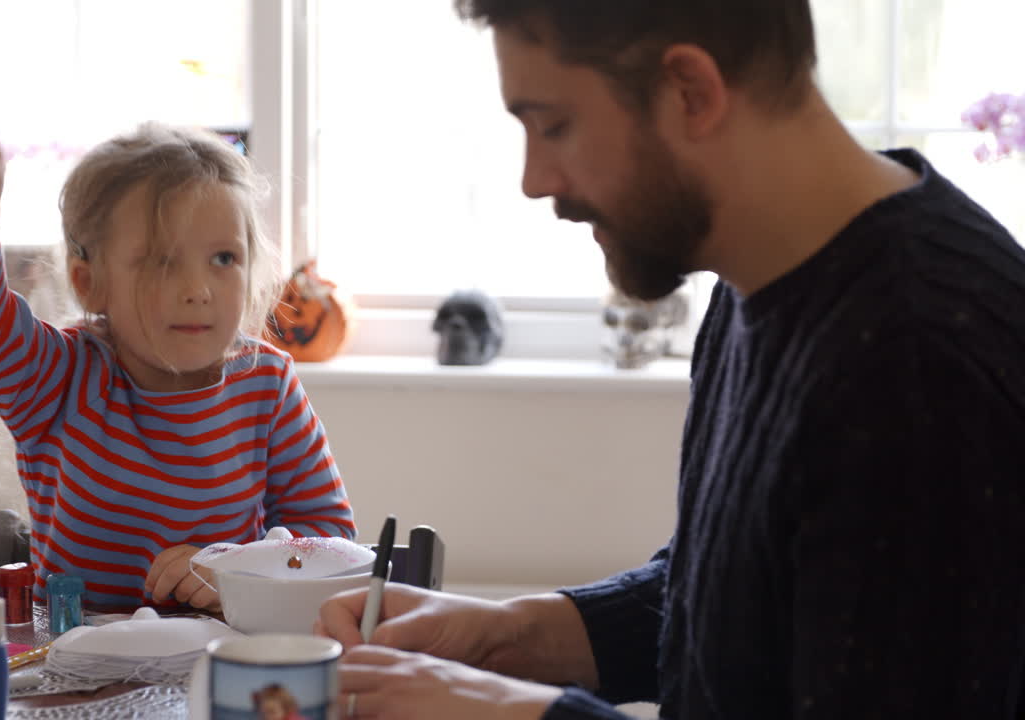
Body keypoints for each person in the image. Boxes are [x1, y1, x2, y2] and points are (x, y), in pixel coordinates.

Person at [315, 1, 1025, 718]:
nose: (534, 179)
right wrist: (508, 635)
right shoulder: (761, 278)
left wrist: (517, 714)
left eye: (554, 124)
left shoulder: (916, 363)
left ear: (690, 90)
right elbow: (744, 605)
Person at [0, 116, 356, 612]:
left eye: (223, 259)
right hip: (75, 668)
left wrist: (241, 570)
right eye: (163, 261)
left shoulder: (267, 384)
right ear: (90, 283)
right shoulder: (58, 376)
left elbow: (330, 539)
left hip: (215, 664)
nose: (198, 290)